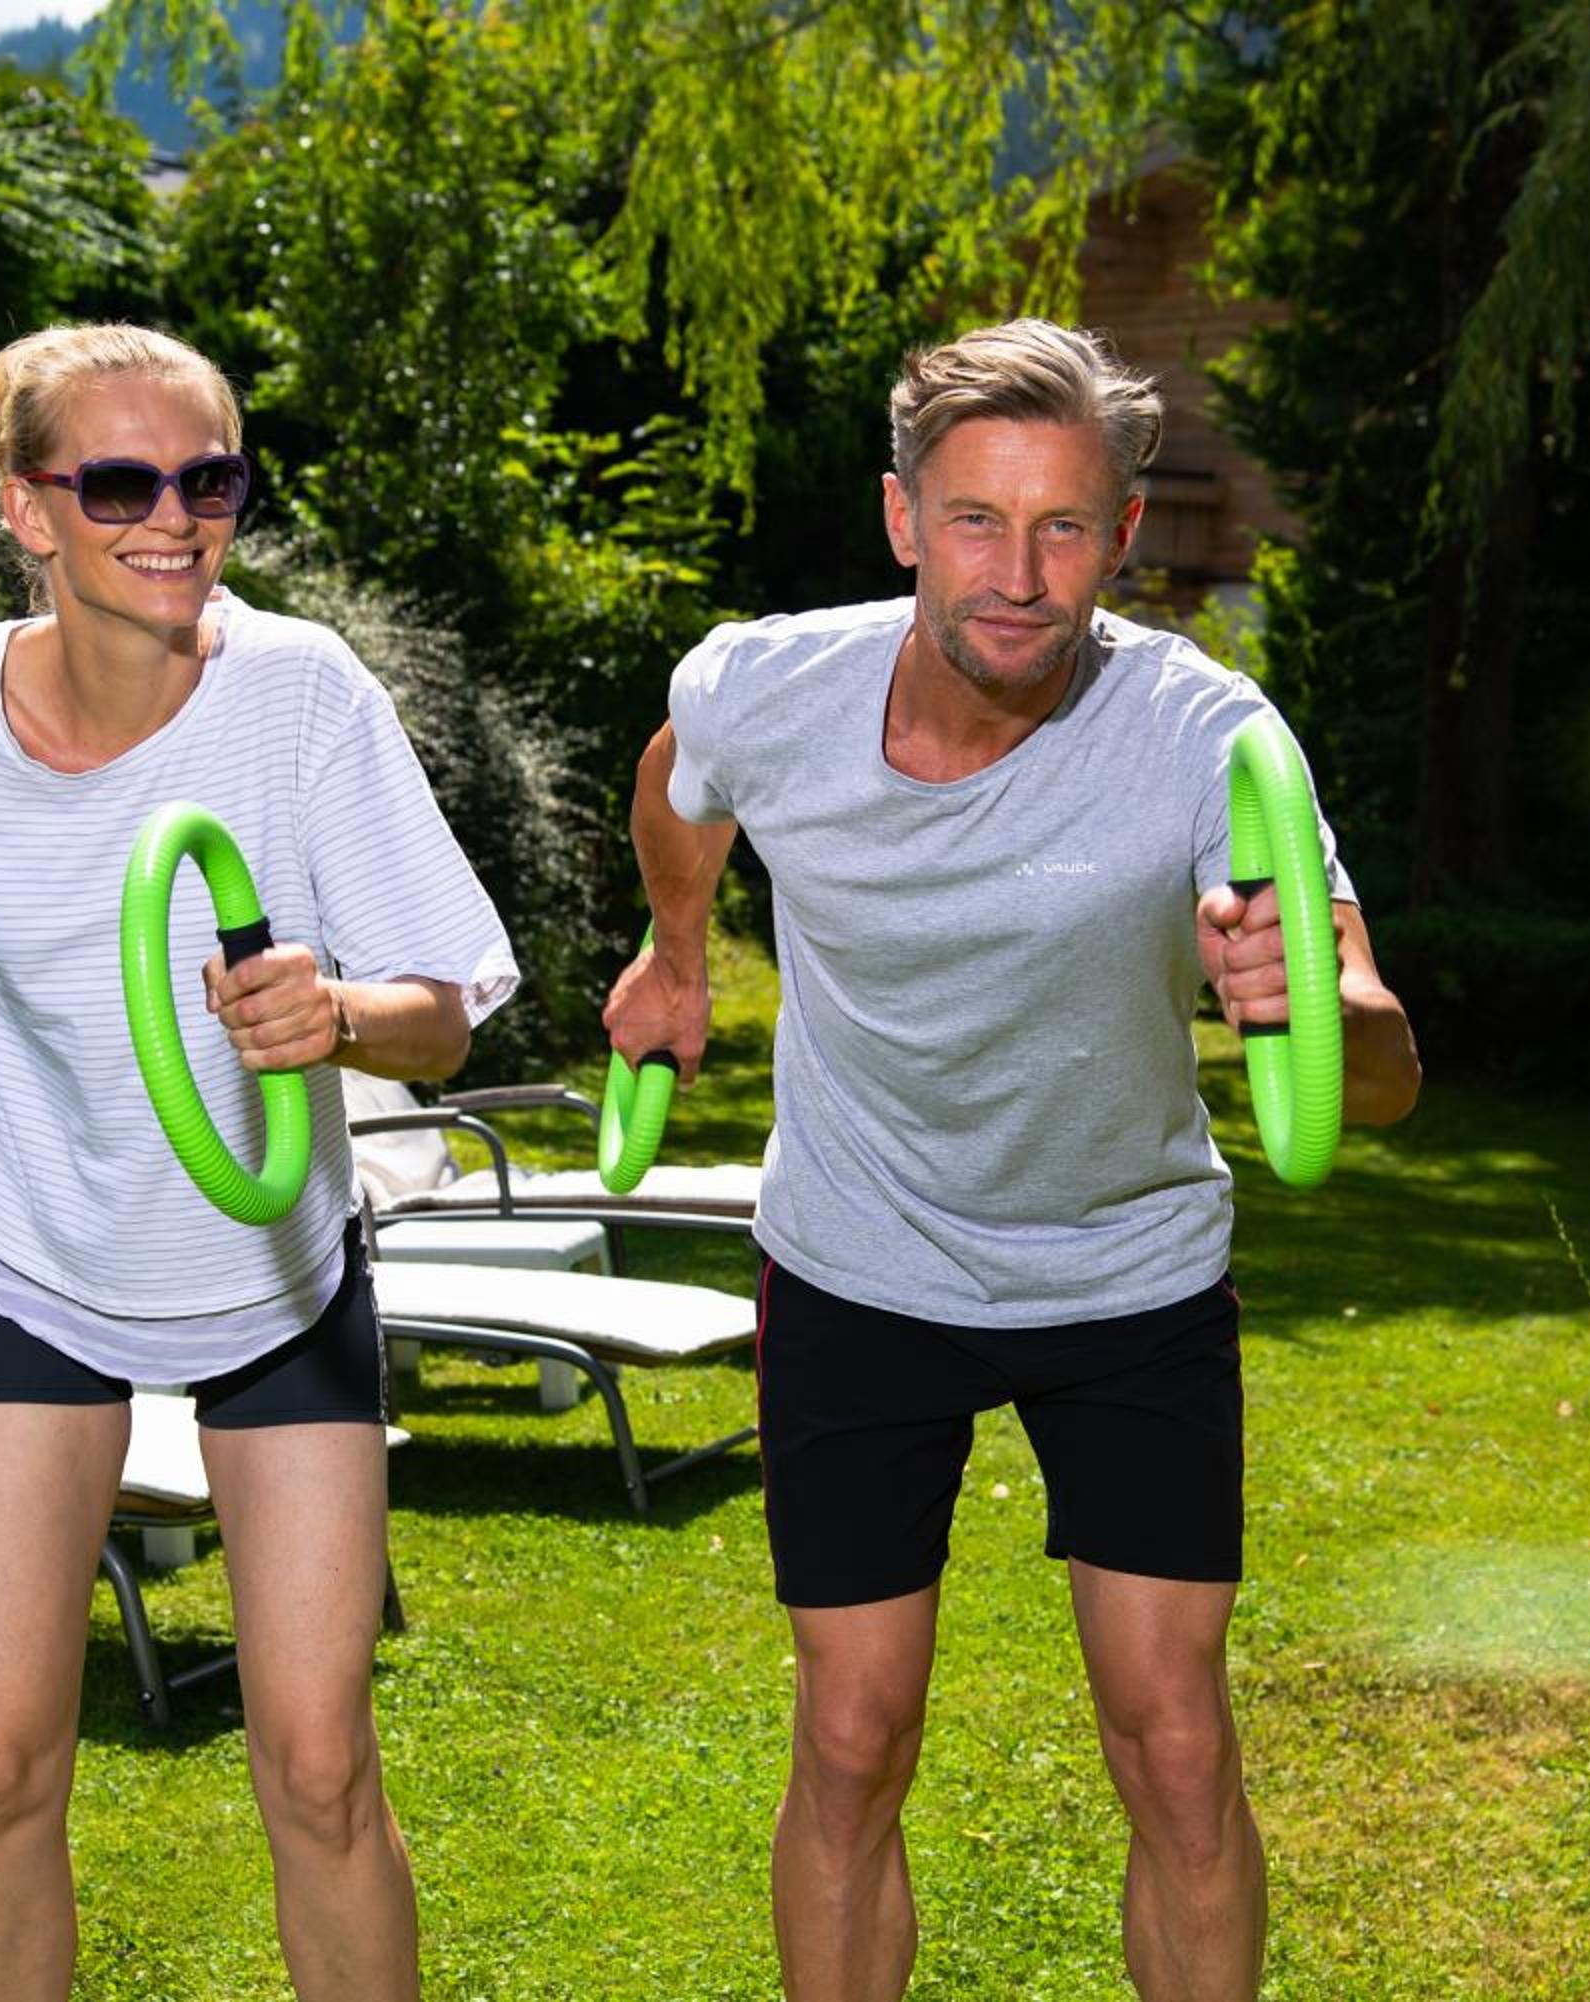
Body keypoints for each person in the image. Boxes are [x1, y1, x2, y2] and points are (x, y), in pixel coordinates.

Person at [603, 318, 1422, 2002]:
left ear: (1123, 535)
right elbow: (682, 780)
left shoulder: (1208, 737)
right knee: (851, 1734)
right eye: (976, 518)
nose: (1020, 575)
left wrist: (1316, 1008)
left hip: (1124, 1271)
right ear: (902, 517)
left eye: (1063, 527)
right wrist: (676, 953)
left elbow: (1386, 1057)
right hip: (859, 1257)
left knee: (1176, 1742)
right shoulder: (769, 685)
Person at [0, 323, 514, 2002]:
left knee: (320, 1762)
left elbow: (444, 1016)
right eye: (121, 482)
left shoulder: (302, 693)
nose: (174, 518)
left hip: (268, 1271)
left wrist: (336, 1013)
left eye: (208, 479)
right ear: (27, 507)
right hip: (34, 1252)